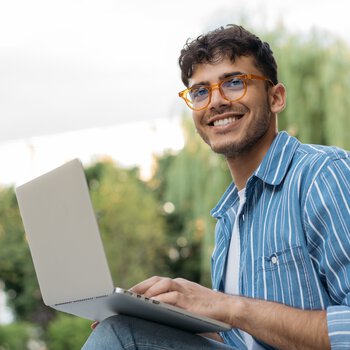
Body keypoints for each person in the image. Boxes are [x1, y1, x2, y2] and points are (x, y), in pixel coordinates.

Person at [82, 24, 350, 350]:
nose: (216, 102)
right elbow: (243, 339)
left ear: (276, 97)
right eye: (200, 91)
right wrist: (166, 317)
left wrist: (228, 306)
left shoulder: (322, 176)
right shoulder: (228, 217)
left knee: (120, 337)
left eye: (234, 83)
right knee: (125, 328)